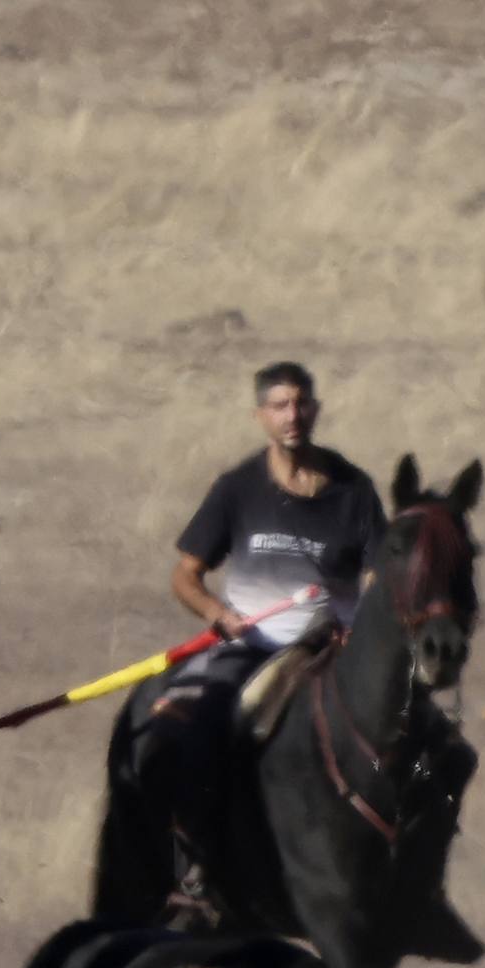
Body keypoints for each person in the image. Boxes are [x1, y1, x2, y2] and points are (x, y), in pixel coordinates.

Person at [133, 361, 385, 911]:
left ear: (315, 409)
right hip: (251, 646)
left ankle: (407, 865)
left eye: (299, 403)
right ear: (260, 416)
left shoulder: (355, 492)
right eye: (278, 406)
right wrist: (218, 613)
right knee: (202, 723)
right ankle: (195, 861)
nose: (291, 415)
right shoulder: (237, 490)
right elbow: (185, 574)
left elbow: (376, 579)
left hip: (330, 649)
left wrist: (357, 627)